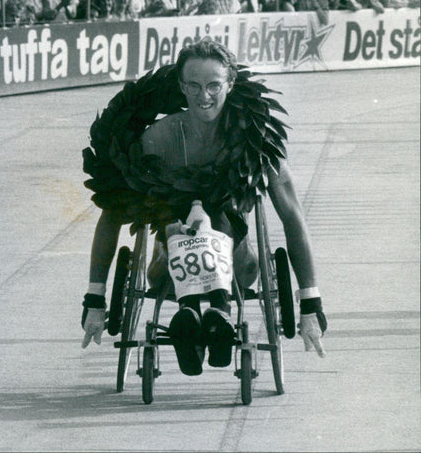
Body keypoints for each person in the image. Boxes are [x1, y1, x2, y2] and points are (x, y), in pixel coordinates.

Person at [81, 39, 327, 375]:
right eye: (193, 85)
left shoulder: (254, 141)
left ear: (230, 84)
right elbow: (111, 214)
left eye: (213, 85)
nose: (203, 96)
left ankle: (207, 313)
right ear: (180, 86)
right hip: (168, 267)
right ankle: (206, 315)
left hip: (237, 265)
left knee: (217, 213)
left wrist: (311, 304)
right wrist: (94, 299)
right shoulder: (156, 139)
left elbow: (293, 218)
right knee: (179, 213)